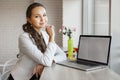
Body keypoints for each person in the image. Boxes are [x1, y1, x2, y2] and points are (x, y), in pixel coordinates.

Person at [7, 2, 67, 80]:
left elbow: (62, 55)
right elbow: (46, 61)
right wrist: (52, 37)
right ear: (29, 20)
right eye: (37, 16)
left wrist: (49, 61)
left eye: (44, 15)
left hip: (36, 77)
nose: (42, 19)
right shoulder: (24, 38)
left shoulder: (45, 34)